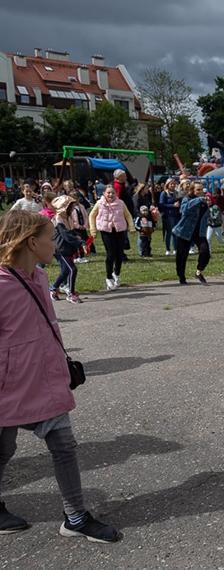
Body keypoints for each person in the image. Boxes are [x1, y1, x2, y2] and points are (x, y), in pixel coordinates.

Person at [0, 210, 121, 542]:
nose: (58, 243)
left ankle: (76, 516)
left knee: (64, 444)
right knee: (3, 449)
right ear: (31, 242)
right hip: (7, 387)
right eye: (52, 237)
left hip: (46, 380)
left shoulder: (39, 277)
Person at [89, 185, 135, 291]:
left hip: (119, 230)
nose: (110, 195)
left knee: (119, 254)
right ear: (104, 193)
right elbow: (92, 215)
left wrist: (131, 227)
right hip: (106, 231)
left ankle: (116, 274)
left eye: (113, 193)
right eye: (108, 193)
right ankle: (109, 277)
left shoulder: (121, 203)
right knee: (110, 254)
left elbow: (128, 215)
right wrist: (93, 230)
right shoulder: (100, 204)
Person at [172, 181, 211, 285]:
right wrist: (198, 200)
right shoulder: (187, 199)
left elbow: (206, 216)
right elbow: (184, 209)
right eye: (198, 189)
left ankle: (199, 271)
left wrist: (209, 207)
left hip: (199, 232)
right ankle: (181, 276)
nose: (200, 192)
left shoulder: (204, 202)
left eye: (202, 189)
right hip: (185, 231)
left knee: (205, 251)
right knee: (182, 256)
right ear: (192, 190)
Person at [48, 196, 85, 303]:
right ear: (64, 207)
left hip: (68, 249)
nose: (73, 208)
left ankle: (53, 288)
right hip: (60, 249)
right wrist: (80, 243)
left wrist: (79, 236)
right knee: (73, 269)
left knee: (65, 271)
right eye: (71, 206)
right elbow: (66, 235)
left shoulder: (67, 218)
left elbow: (71, 232)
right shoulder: (58, 219)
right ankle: (71, 294)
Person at [158, 178, 180, 256]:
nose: (173, 185)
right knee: (169, 232)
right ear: (167, 185)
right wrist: (172, 205)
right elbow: (161, 204)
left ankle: (175, 249)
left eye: (174, 184)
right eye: (171, 184)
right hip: (169, 215)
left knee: (175, 233)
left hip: (176, 215)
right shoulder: (164, 194)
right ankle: (168, 249)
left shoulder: (176, 193)